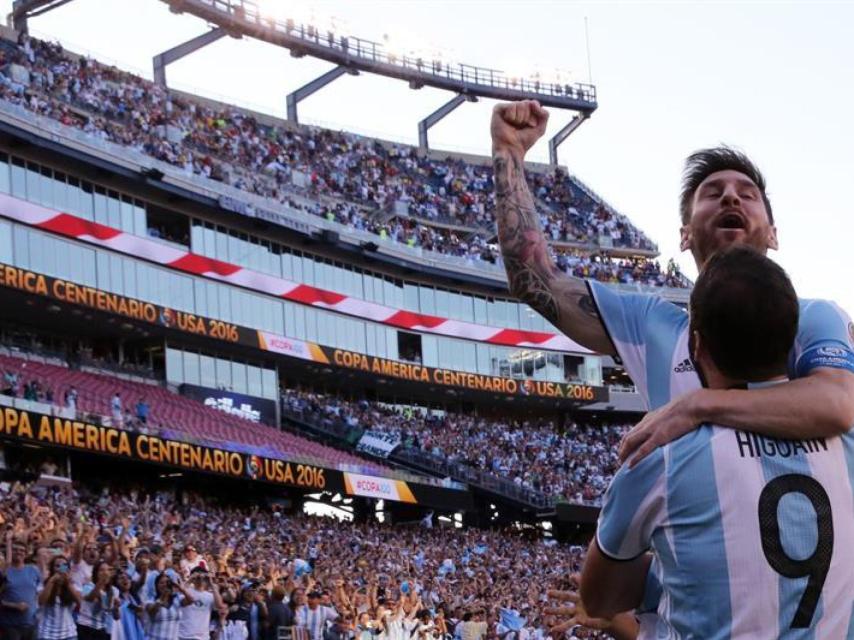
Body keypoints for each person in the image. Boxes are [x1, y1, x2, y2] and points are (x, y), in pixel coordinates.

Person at [490, 100, 854, 451]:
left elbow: (837, 403)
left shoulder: (816, 316)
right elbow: (534, 280)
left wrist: (698, 405)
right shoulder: (650, 326)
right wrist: (508, 151)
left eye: (748, 194)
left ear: (773, 234)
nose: (731, 197)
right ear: (685, 235)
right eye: (713, 193)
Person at [580, 247, 854, 637]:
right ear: (793, 341)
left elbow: (601, 600)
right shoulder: (845, 444)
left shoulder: (659, 456)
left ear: (696, 346)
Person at [0, 539, 41, 640]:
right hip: (10, 626)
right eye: (15, 549)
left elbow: (39, 592)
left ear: (26, 554)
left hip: (32, 624)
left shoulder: (33, 570)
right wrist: (14, 606)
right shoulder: (3, 572)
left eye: (22, 550)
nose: (18, 552)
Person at [37, 555, 83, 640]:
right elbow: (41, 601)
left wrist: (68, 583)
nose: (60, 569)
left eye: (63, 566)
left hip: (69, 634)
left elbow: (80, 603)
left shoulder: (73, 585)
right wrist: (52, 580)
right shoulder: (44, 584)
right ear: (52, 569)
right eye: (57, 566)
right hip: (46, 634)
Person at [178, 567, 223, 640]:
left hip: (202, 637)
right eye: (198, 578)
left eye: (203, 578)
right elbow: (178, 593)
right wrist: (190, 580)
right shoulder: (186, 591)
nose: (201, 580)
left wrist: (211, 583)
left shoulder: (210, 595)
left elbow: (220, 606)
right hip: (184, 635)